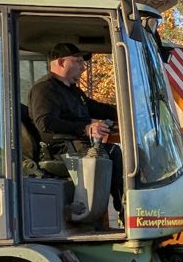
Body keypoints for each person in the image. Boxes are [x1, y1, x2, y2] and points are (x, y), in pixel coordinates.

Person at [29, 43, 123, 214]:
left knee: (117, 152)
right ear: (61, 62)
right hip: (61, 149)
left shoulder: (74, 92)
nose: (83, 67)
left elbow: (97, 108)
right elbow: (45, 123)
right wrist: (86, 129)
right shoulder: (44, 89)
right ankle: (124, 207)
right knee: (113, 153)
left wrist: (126, 112)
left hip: (78, 146)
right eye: (78, 61)